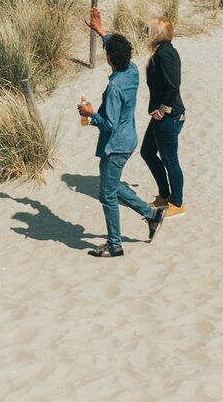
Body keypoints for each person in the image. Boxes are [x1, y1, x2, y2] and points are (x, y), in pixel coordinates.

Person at [77, 32, 163, 258]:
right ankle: (152, 215)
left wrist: (91, 114)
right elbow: (117, 46)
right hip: (128, 139)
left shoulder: (115, 86)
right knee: (111, 187)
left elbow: (109, 123)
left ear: (110, 59)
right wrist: (99, 29)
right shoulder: (132, 70)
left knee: (107, 195)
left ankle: (115, 245)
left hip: (115, 145)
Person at [140, 16, 187, 217]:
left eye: (149, 29)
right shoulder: (162, 51)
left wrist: (162, 109)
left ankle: (177, 204)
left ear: (157, 33)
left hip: (168, 116)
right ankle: (165, 195)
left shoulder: (165, 54)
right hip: (163, 115)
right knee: (147, 152)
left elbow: (172, 85)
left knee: (170, 160)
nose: (146, 32)